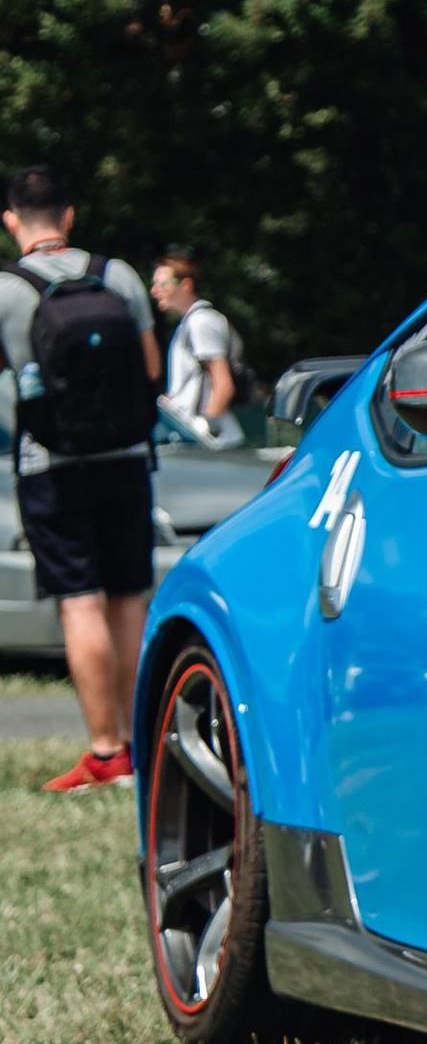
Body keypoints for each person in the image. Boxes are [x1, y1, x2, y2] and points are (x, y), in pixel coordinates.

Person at [1, 164, 163, 792]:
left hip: (53, 466)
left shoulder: (10, 290)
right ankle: (143, 744)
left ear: (12, 220)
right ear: (68, 217)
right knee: (129, 598)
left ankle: (106, 753)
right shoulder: (115, 274)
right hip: (127, 458)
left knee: (81, 602)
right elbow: (150, 369)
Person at [150, 245, 244, 447]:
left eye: (162, 284)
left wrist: (206, 428)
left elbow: (223, 385)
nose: (155, 291)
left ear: (185, 285)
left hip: (210, 444)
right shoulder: (187, 324)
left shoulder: (201, 321)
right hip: (192, 441)